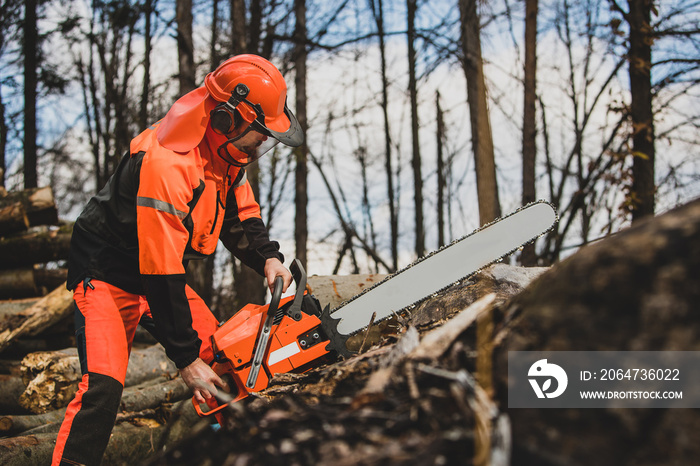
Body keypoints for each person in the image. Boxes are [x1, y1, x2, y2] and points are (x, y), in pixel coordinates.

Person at [52, 54, 302, 466]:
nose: (261, 142)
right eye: (258, 132)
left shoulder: (224, 156)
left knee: (225, 360)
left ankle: (246, 453)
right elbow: (162, 268)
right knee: (103, 387)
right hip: (108, 274)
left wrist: (268, 260)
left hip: (154, 273)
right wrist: (186, 360)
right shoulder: (168, 164)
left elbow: (240, 216)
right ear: (227, 119)